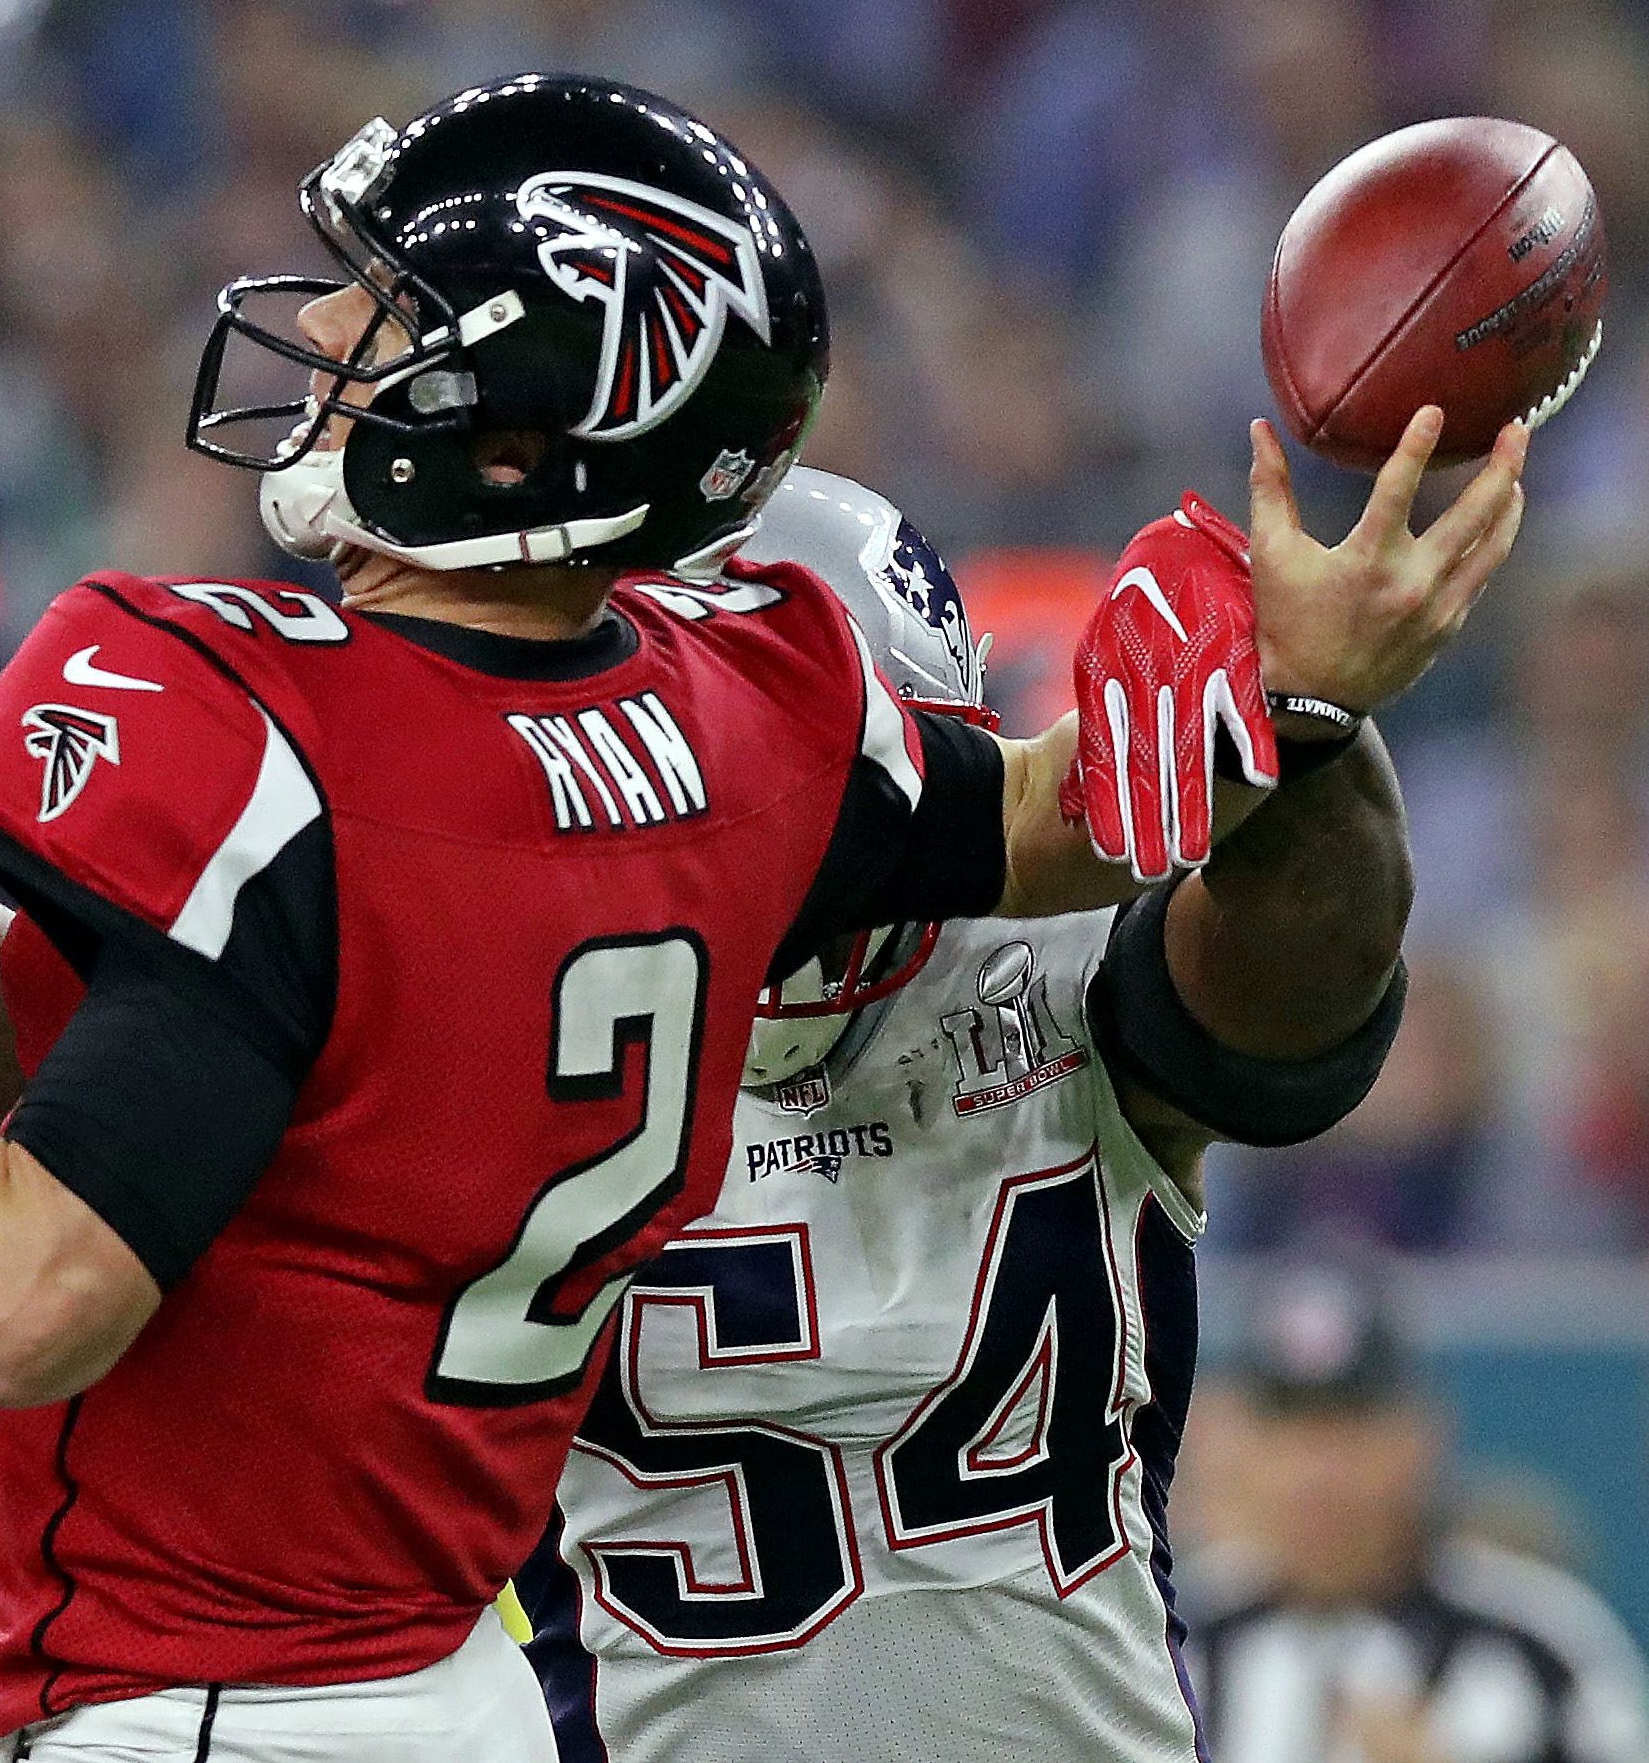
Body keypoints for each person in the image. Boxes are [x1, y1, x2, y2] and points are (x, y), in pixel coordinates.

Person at [0, 75, 1522, 1763]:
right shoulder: (729, 736)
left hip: (231, 1692)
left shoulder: (274, 724)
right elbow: (1030, 812)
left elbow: (35, 1288)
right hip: (474, 1695)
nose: (337, 337)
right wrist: (1290, 694)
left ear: (528, 432)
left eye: (399, 314)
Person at [512, 468, 1444, 1762]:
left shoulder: (1058, 966)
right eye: (726, 798)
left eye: (830, 804)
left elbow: (1310, 993)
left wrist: (1304, 721)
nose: (785, 868)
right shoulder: (489, 1030)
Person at [1186, 1260, 1649, 1763]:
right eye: (1289, 1426)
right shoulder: (1170, 1639)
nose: (1316, 1472)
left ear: (1423, 1435)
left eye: (1352, 1424)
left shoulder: (1546, 1650)